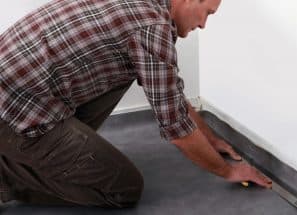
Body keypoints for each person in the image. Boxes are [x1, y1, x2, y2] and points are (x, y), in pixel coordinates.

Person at [0, 0, 272, 208]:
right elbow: (177, 129)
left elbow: (170, 94)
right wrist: (228, 171)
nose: (204, 24)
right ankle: (6, 181)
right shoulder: (152, 27)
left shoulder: (143, 8)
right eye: (208, 12)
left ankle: (51, 153)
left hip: (22, 95)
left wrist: (210, 139)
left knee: (125, 72)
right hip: (14, 111)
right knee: (124, 189)